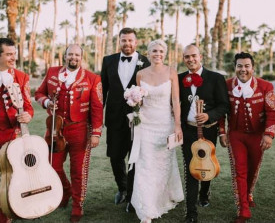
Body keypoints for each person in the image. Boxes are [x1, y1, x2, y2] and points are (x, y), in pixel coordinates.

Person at [35, 44, 103, 223]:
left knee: (78, 170)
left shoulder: (92, 78)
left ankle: (77, 205)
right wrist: (47, 102)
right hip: (55, 129)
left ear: (82, 57)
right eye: (70, 54)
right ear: (65, 56)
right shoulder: (51, 72)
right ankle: (65, 193)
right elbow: (39, 93)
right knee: (52, 166)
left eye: (77, 55)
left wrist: (96, 133)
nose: (73, 57)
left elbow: (97, 108)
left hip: (79, 129)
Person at [129, 39, 184, 223]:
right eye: (154, 51)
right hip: (145, 125)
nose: (157, 54)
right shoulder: (140, 74)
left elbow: (175, 101)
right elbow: (140, 102)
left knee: (162, 166)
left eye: (161, 51)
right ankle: (147, 209)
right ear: (149, 53)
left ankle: (162, 198)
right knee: (145, 166)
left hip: (164, 124)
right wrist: (133, 100)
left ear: (165, 53)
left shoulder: (171, 72)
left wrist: (177, 125)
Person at [219, 52, 275, 223]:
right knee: (240, 171)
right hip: (236, 135)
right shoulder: (227, 85)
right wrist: (222, 131)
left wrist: (268, 134)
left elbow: (272, 112)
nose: (243, 69)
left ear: (252, 67)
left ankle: (248, 194)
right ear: (235, 67)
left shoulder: (265, 86)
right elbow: (222, 110)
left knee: (253, 168)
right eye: (239, 66)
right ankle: (243, 209)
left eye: (246, 66)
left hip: (257, 136)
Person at [179, 44, 229, 223]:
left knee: (207, 162)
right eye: (187, 57)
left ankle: (204, 193)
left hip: (209, 130)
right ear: (183, 59)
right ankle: (191, 213)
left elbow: (224, 105)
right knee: (191, 169)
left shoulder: (216, 78)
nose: (190, 60)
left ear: (201, 57)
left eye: (193, 56)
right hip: (188, 130)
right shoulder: (179, 79)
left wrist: (209, 115)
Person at [101, 27, 150, 211]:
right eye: (124, 40)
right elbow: (103, 91)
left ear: (136, 42)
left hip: (137, 119)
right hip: (114, 118)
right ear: (119, 41)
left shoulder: (145, 62)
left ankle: (132, 195)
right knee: (115, 156)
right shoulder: (108, 61)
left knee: (135, 157)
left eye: (130, 40)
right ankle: (122, 188)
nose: (127, 44)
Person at [0, 38, 34, 223]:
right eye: (9, 54)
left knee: (10, 180)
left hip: (12, 138)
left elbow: (28, 107)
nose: (14, 58)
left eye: (15, 54)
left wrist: (27, 115)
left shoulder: (21, 77)